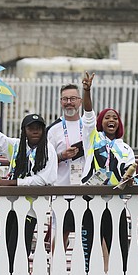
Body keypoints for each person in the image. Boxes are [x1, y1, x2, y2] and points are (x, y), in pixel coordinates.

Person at [0, 107, 57, 275]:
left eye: (39, 128)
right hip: (11, 206)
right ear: (24, 130)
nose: (35, 131)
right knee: (8, 247)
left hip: (30, 209)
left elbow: (45, 179)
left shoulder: (49, 150)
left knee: (19, 246)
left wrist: (13, 182)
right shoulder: (15, 146)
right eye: (31, 128)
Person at [80, 71, 134, 275]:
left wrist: (127, 176)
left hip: (116, 204)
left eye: (115, 118)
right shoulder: (92, 137)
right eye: (107, 117)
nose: (111, 120)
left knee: (118, 245)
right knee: (90, 246)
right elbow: (89, 114)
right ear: (101, 123)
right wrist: (87, 90)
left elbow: (130, 170)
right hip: (92, 201)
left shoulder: (125, 147)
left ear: (119, 124)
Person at [46, 83, 84, 259]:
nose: (69, 102)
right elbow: (44, 161)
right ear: (60, 102)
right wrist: (61, 156)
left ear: (80, 101)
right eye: (65, 99)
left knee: (89, 235)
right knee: (60, 233)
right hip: (61, 189)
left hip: (86, 191)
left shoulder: (91, 127)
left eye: (73, 99)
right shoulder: (53, 130)